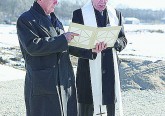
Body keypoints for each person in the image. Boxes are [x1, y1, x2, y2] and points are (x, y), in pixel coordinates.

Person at [16, 0, 79, 116]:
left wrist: (91, 50)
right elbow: (32, 46)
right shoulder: (25, 20)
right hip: (44, 83)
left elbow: (65, 47)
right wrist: (62, 39)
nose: (56, 2)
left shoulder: (56, 21)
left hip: (63, 81)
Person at [69, 0, 127, 115]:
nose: (103, 1)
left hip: (110, 74)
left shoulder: (115, 14)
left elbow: (123, 39)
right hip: (87, 76)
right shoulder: (79, 14)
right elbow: (72, 47)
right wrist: (91, 51)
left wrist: (116, 42)